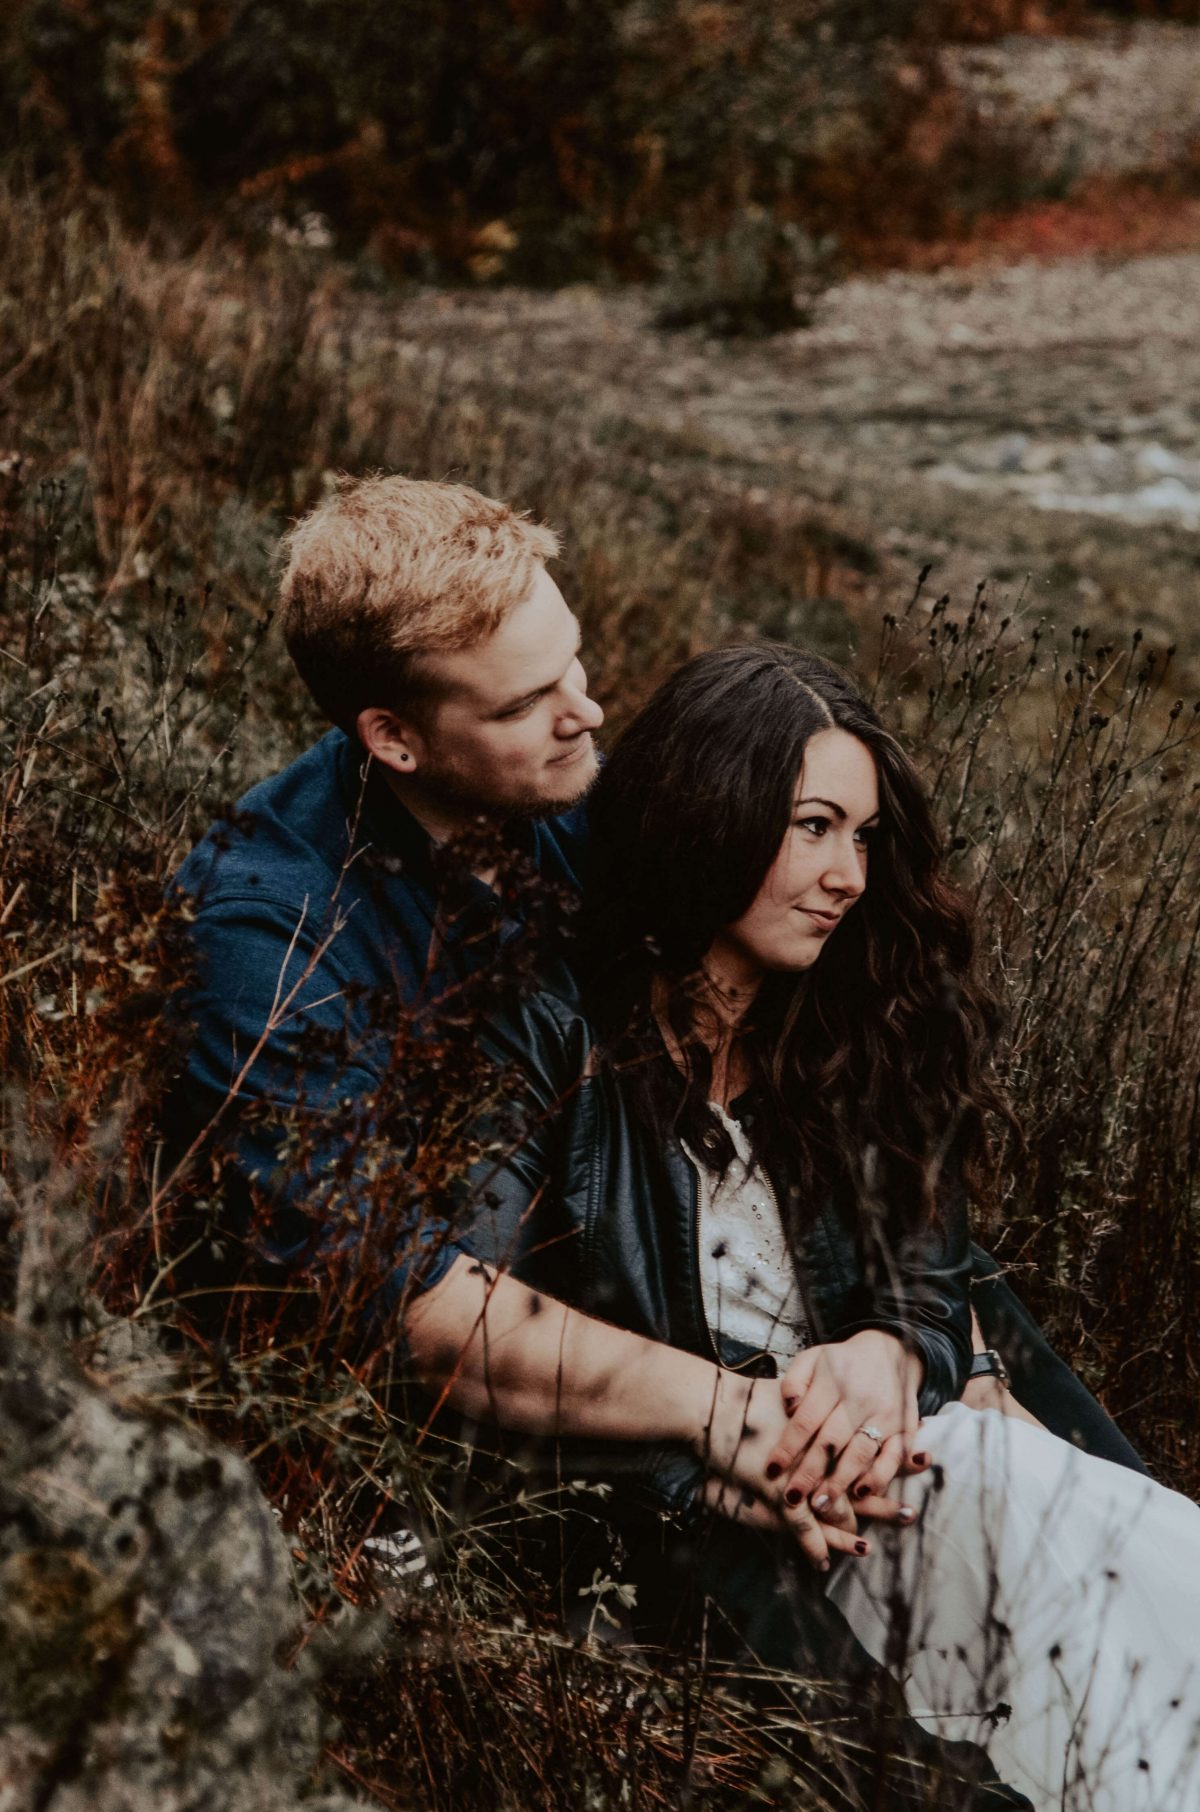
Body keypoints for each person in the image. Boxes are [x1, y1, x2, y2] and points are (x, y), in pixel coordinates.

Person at [170, 471, 1144, 1493]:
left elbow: (846, 1045)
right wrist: (731, 1414)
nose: (586, 711)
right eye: (527, 701)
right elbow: (411, 1308)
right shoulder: (266, 942)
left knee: (1127, 1522)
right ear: (393, 738)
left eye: (573, 662)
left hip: (734, 1272)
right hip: (518, 1394)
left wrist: (936, 1346)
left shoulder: (562, 792)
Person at [404, 643, 1200, 1812]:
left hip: (896, 1473)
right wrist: (726, 1444)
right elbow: (459, 1327)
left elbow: (928, 1264)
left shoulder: (855, 1016)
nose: (849, 875)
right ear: (705, 818)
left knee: (1108, 1564)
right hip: (710, 1528)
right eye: (814, 826)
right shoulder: (549, 1028)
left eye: (865, 837)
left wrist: (895, 1351)